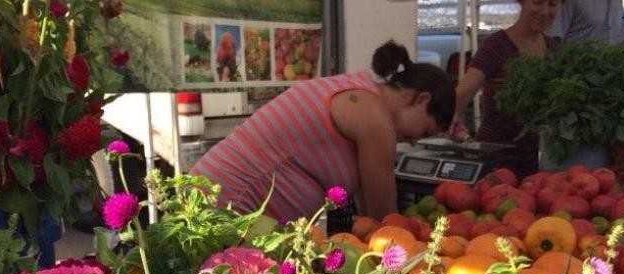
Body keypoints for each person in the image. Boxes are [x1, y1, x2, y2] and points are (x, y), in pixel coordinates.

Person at [191, 41, 455, 222]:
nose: (413, 140)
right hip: (228, 205)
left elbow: (368, 214)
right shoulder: (375, 119)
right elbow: (383, 218)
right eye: (424, 131)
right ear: (422, 100)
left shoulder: (361, 90)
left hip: (215, 195)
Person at [449, 0, 562, 178]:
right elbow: (463, 92)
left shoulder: (555, 49)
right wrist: (451, 117)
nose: (545, 11)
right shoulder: (496, 45)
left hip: (539, 161)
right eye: (538, 3)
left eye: (553, 4)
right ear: (522, 2)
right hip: (498, 162)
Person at [550, 0, 624, 44]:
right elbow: (553, 38)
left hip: (614, 68)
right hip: (574, 67)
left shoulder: (617, 2)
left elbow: (618, 35)